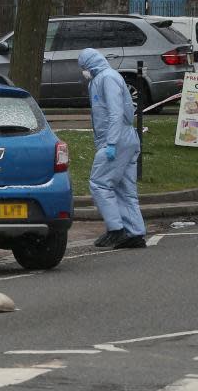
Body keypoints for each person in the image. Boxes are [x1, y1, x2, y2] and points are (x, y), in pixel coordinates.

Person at [78, 48, 146, 249]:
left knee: (99, 183)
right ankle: (134, 232)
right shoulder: (103, 78)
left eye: (83, 67)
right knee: (125, 188)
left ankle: (116, 230)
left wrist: (111, 143)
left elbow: (115, 113)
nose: (83, 71)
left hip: (117, 139)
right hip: (126, 138)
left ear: (90, 64)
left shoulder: (106, 78)